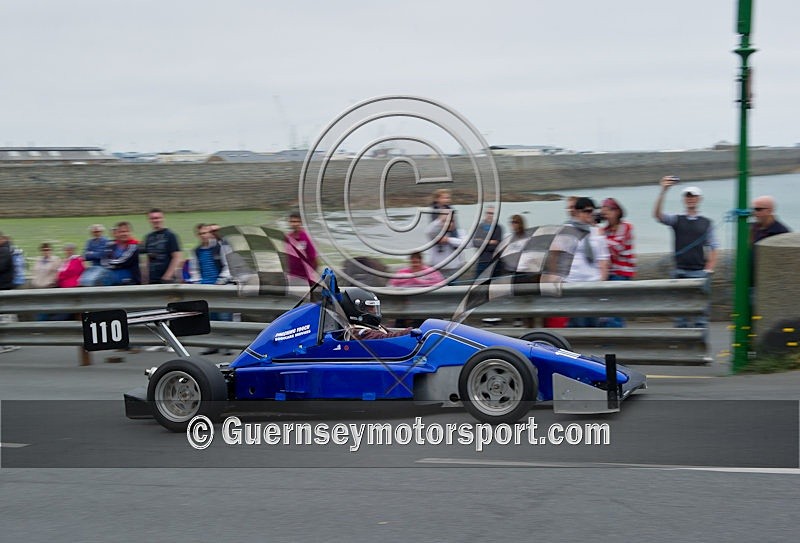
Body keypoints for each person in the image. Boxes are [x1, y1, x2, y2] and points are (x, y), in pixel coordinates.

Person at [653, 177, 718, 328]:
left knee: (701, 315)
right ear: (684, 200)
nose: (690, 199)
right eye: (687, 196)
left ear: (699, 199)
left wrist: (709, 269)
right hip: (679, 271)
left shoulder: (707, 223)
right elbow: (658, 215)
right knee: (680, 315)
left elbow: (714, 247)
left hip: (699, 272)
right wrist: (663, 191)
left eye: (693, 196)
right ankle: (681, 346)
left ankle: (700, 348)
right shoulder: (676, 219)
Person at [565, 197, 609, 327]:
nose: (591, 214)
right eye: (587, 211)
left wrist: (602, 283)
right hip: (573, 285)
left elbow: (604, 261)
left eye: (593, 211)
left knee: (594, 324)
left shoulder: (597, 232)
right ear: (578, 212)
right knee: (579, 324)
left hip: (593, 285)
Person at [194, 223, 233, 355]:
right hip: (205, 287)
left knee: (224, 315)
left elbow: (228, 265)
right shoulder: (197, 251)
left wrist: (221, 281)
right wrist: (198, 283)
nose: (204, 235)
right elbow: (195, 270)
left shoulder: (220, 247)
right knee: (211, 317)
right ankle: (213, 345)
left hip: (220, 286)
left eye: (206, 233)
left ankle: (227, 345)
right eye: (201, 233)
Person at [600, 197, 635, 327]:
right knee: (606, 311)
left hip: (621, 274)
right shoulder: (604, 230)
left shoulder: (626, 227)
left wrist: (600, 239)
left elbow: (616, 248)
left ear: (617, 212)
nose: (606, 214)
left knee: (615, 311)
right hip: (608, 273)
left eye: (608, 210)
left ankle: (615, 342)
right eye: (604, 210)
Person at [339, 287, 412, 340]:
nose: (374, 310)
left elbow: (390, 334)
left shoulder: (375, 326)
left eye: (374, 306)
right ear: (357, 309)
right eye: (370, 307)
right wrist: (408, 332)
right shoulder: (357, 332)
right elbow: (386, 338)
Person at [143, 208, 182, 284]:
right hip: (152, 279)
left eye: (157, 218)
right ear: (149, 220)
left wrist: (167, 276)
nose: (155, 220)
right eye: (152, 218)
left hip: (167, 280)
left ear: (163, 218)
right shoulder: (148, 237)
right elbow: (148, 259)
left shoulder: (170, 235)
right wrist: (146, 277)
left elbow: (177, 257)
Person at [425, 211, 466, 279]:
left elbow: (465, 243)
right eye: (445, 221)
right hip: (437, 271)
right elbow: (428, 231)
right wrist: (440, 219)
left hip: (454, 270)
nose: (449, 224)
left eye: (451, 221)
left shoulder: (460, 232)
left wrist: (448, 239)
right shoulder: (434, 234)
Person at [284, 211, 319, 286]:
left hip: (306, 278)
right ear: (289, 223)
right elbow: (287, 257)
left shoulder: (307, 238)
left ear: (301, 222)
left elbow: (314, 258)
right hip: (293, 276)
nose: (294, 224)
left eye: (297, 221)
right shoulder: (288, 238)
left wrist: (311, 275)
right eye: (292, 221)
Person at [102, 221, 141, 285]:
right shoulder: (110, 245)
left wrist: (111, 265)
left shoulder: (134, 247)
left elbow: (123, 261)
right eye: (121, 232)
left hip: (129, 282)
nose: (124, 234)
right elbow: (103, 261)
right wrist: (114, 266)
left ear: (131, 233)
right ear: (116, 233)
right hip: (111, 281)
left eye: (127, 231)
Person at [471, 205, 503, 278]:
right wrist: (490, 241)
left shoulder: (498, 228)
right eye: (488, 213)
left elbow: (496, 245)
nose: (490, 215)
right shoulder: (480, 227)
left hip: (494, 263)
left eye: (492, 213)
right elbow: (475, 243)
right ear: (485, 214)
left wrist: (483, 241)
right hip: (482, 261)